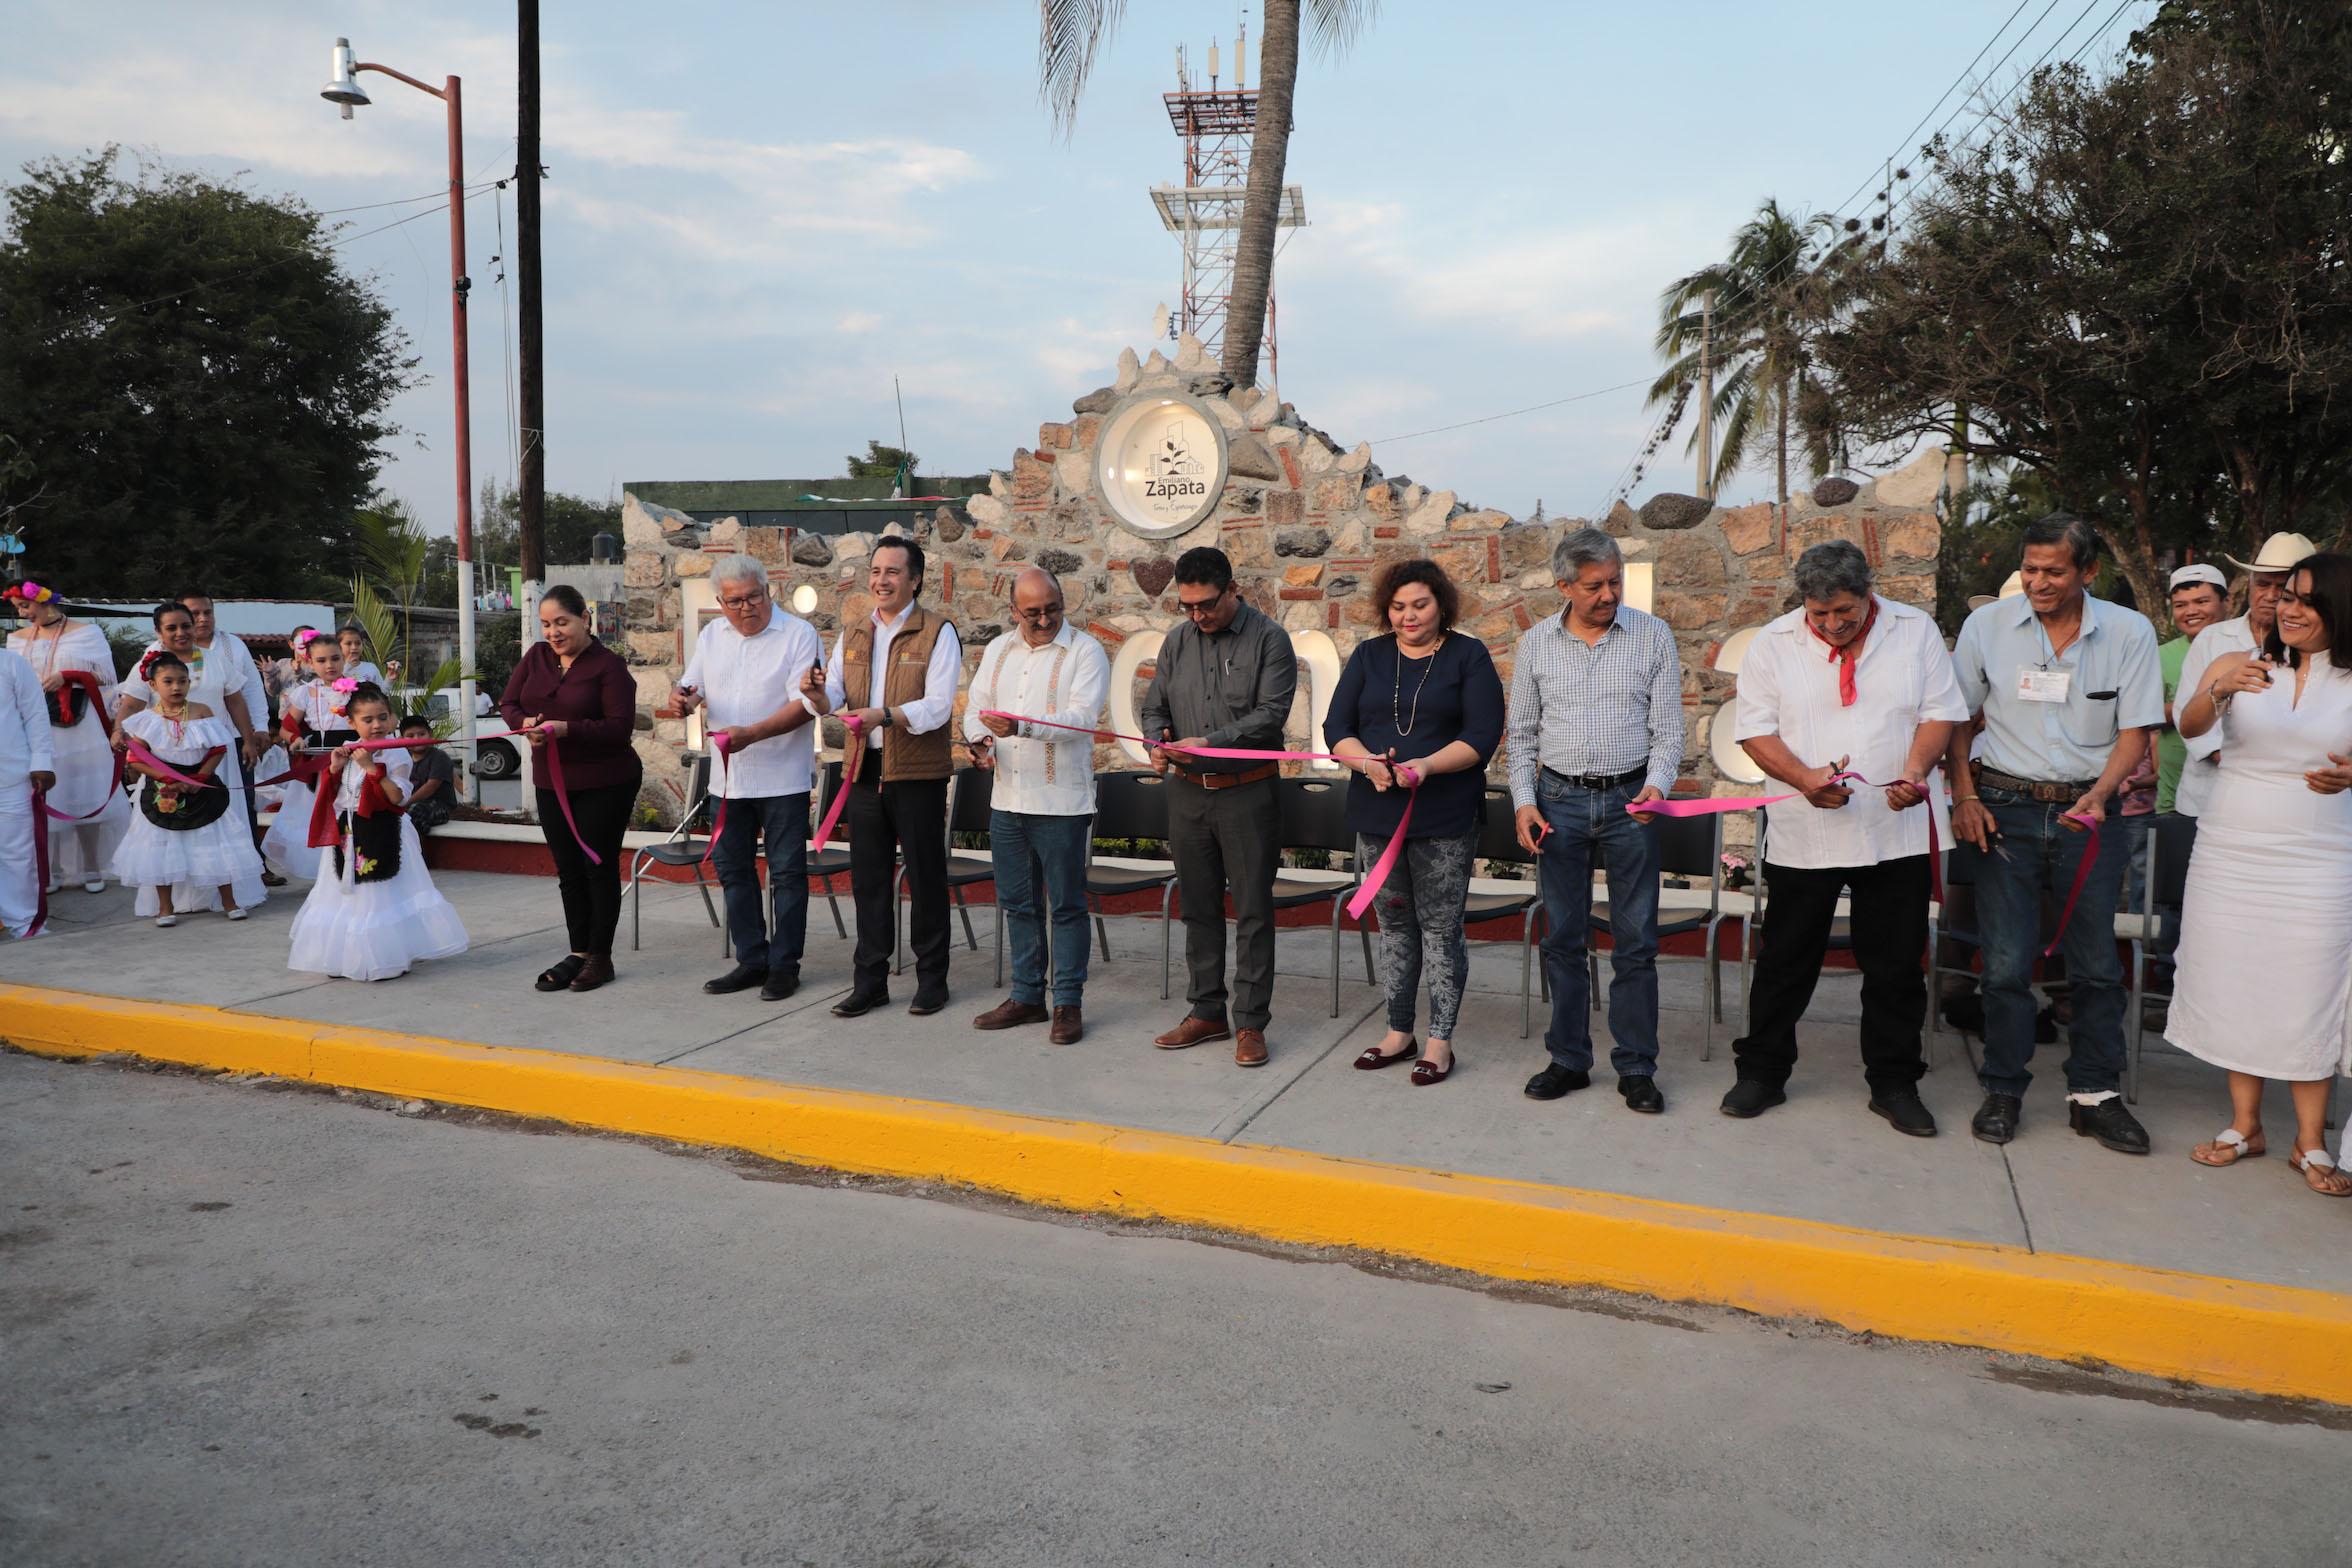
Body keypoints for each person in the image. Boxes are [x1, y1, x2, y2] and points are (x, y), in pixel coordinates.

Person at [1720, 541, 1968, 1134]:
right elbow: (1754, 731)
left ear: (1868, 592)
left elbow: (1942, 712)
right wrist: (1804, 779)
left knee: (1896, 964)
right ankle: (1762, 1072)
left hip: (1895, 826)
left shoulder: (1915, 630)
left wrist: (1914, 773)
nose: (1832, 626)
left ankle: (1894, 1082)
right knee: (1785, 959)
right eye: (1819, 614)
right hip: (1808, 832)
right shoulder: (1775, 643)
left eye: (1845, 613)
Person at [1948, 513, 2164, 1154]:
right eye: (2030, 569)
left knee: (2097, 965)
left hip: (2090, 817)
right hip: (2003, 811)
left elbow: (2136, 729)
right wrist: (1963, 794)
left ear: (2088, 572)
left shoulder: (2128, 631)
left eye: (2054, 571)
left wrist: (2101, 795)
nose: (2039, 582)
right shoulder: (1985, 627)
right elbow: (1955, 717)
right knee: (2007, 963)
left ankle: (2095, 1093)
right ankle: (2004, 1089)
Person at [2168, 553, 2352, 1194]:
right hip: (2231, 852)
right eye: (2286, 597)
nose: (2290, 609)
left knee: (2309, 988)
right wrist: (2219, 690)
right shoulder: (2242, 666)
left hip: (2321, 860)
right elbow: (2187, 725)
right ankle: (2246, 1125)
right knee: (2237, 981)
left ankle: (2312, 1139)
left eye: (2307, 600)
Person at [1507, 528, 1681, 1115]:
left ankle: (1635, 1066)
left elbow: (1669, 729)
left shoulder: (1653, 635)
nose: (1608, 594)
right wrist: (1523, 802)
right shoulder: (1535, 644)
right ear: (1564, 586)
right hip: (1558, 804)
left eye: (1614, 581)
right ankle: (1568, 1060)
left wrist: (1656, 786)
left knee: (1635, 942)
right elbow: (1523, 735)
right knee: (1563, 939)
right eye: (1594, 586)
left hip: (1633, 801)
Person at [1324, 559, 1505, 1085]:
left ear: (1440, 605)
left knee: (1441, 929)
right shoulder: (1369, 655)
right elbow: (1337, 726)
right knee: (1395, 925)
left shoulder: (1468, 655)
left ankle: (1440, 1042)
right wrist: (1365, 763)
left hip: (1443, 815)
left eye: (1420, 604)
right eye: (1398, 606)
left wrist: (1425, 766)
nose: (1408, 616)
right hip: (1377, 810)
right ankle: (1399, 1032)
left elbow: (1481, 735)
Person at [1140, 546, 1298, 1069]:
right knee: (1198, 905)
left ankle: (1251, 1022)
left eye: (1207, 604)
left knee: (1252, 908)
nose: (1198, 616)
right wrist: (1154, 741)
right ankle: (1206, 1011)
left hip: (1246, 792)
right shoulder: (1176, 641)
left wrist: (1208, 741)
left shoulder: (1270, 639)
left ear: (1233, 590)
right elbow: (1154, 705)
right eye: (1187, 606)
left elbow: (1270, 717)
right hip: (1186, 792)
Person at [964, 567, 1111, 1045]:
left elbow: (1080, 719)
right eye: (1032, 613)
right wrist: (981, 741)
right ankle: (1027, 996)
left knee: (1066, 906)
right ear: (1013, 611)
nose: (1044, 619)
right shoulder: (1000, 649)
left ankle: (1067, 1002)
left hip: (1061, 801)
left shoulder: (1085, 650)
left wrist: (1020, 727)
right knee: (1017, 904)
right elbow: (975, 707)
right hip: (1007, 797)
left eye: (1052, 609)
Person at [821, 535, 961, 1019]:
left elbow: (939, 707)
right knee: (870, 883)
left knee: (925, 879)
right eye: (876, 571)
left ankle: (931, 981)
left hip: (916, 774)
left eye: (892, 572)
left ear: (915, 579)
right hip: (862, 771)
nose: (881, 580)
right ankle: (870, 982)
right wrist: (815, 694)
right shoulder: (854, 632)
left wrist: (884, 714)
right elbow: (832, 696)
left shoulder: (938, 631)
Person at [677, 556, 827, 1004]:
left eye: (753, 597)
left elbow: (807, 705)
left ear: (769, 592)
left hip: (782, 777)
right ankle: (752, 959)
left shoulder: (798, 634)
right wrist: (683, 699)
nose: (746, 608)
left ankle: (785, 966)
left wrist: (753, 734)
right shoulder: (711, 635)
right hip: (728, 779)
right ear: (721, 602)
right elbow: (692, 686)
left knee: (786, 874)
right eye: (735, 601)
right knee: (733, 871)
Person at [501, 584, 641, 994]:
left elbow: (619, 729)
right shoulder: (536, 658)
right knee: (568, 870)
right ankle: (579, 951)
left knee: (596, 866)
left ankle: (601, 956)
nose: (553, 632)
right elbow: (509, 705)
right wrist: (525, 725)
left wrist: (565, 729)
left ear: (585, 619)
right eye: (546, 625)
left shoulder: (609, 667)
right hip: (551, 780)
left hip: (604, 780)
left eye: (561, 622)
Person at [287, 682, 467, 981]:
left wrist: (371, 767)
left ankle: (386, 955)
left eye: (382, 717)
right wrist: (334, 768)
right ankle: (344, 957)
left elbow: (397, 797)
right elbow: (334, 796)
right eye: (367, 720)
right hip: (348, 833)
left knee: (378, 893)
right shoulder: (348, 752)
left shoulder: (397, 754)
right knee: (346, 894)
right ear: (351, 722)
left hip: (384, 829)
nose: (376, 725)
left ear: (392, 718)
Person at [111, 650, 266, 925]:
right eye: (168, 681)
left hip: (201, 785)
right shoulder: (146, 718)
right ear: (152, 685)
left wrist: (202, 776)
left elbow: (218, 747)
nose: (176, 687)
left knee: (215, 845)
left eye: (182, 681)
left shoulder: (201, 711)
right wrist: (168, 780)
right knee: (160, 849)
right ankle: (165, 907)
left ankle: (229, 902)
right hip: (163, 789)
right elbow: (136, 759)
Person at [2175, 533, 2309, 827]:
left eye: (2282, 587)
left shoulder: (2317, 648)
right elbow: (2186, 711)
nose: (2271, 595)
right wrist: (2225, 754)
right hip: (2208, 795)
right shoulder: (2213, 639)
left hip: (2292, 805)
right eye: (2263, 584)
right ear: (2249, 585)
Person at [7, 583, 128, 894]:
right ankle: (52, 869)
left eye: (25, 606)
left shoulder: (86, 633)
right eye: (18, 608)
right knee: (46, 794)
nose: (22, 614)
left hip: (80, 724)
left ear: (44, 601)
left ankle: (92, 866)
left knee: (81, 790)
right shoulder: (17, 639)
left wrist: (70, 675)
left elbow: (107, 677)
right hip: (35, 725)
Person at [180, 592, 278, 883]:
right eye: (195, 613)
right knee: (192, 804)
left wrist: (258, 729)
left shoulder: (231, 644)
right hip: (185, 744)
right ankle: (196, 873)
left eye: (207, 612)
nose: (202, 619)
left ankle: (255, 867)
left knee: (242, 802)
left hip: (234, 737)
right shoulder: (165, 649)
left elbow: (249, 691)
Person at [260, 630, 355, 882]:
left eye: (335, 659)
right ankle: (326, 872)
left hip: (353, 761)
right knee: (322, 815)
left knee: (349, 814)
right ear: (310, 663)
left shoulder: (359, 689)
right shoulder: (304, 692)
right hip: (320, 763)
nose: (329, 665)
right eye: (321, 661)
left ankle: (353, 866)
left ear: (343, 658)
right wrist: (295, 738)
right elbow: (287, 727)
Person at [0, 641, 56, 938]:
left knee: (18, 852)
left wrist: (42, 762)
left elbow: (35, 715)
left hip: (12, 774)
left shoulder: (10, 663)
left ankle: (24, 923)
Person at [399, 715, 456, 834]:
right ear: (401, 739)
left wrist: (404, 804)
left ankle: (418, 851)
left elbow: (431, 786)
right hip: (410, 803)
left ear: (430, 734)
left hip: (439, 806)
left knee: (415, 812)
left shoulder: (439, 757)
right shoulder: (403, 758)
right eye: (410, 736)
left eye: (421, 734)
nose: (417, 738)